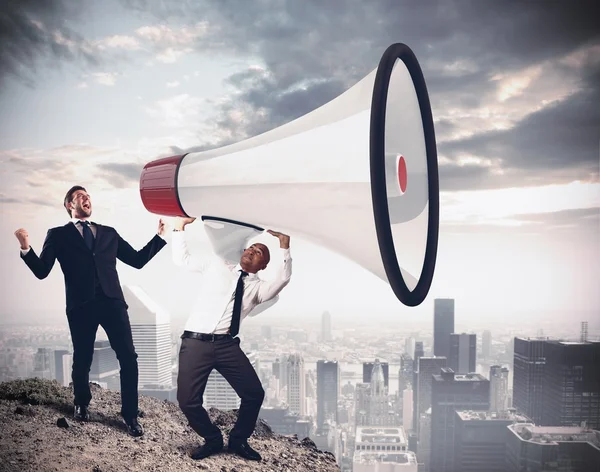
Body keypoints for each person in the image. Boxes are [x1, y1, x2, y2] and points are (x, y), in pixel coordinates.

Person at [14, 185, 167, 437]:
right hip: (81, 305)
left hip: (112, 302)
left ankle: (130, 416)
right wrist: (25, 248)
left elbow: (137, 260)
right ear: (69, 206)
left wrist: (159, 237)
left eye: (88, 196)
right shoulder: (58, 234)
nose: (86, 198)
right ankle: (81, 403)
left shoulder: (109, 233)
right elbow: (42, 271)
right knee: (82, 357)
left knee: (128, 357)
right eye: (79, 196)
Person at [172, 217, 292, 462]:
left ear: (263, 265)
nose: (251, 250)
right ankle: (213, 439)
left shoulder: (258, 290)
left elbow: (282, 279)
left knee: (254, 394)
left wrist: (284, 244)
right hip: (195, 343)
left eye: (258, 251)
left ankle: (238, 441)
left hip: (226, 345)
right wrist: (179, 227)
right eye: (251, 247)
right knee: (187, 400)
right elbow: (182, 260)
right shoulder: (216, 265)